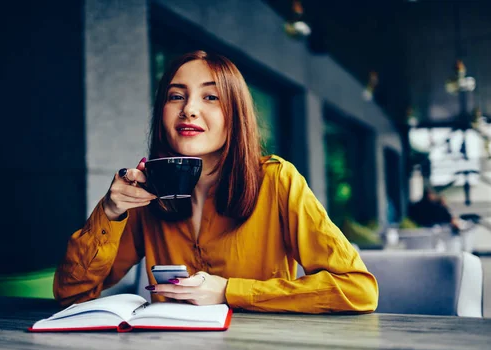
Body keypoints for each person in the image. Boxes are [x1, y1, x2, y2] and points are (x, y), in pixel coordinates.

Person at [54, 50, 378, 313]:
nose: (189, 110)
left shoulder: (278, 180)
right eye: (175, 96)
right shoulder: (146, 192)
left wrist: (229, 290)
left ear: (235, 113)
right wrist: (110, 212)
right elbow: (72, 295)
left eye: (210, 97)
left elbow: (357, 289)